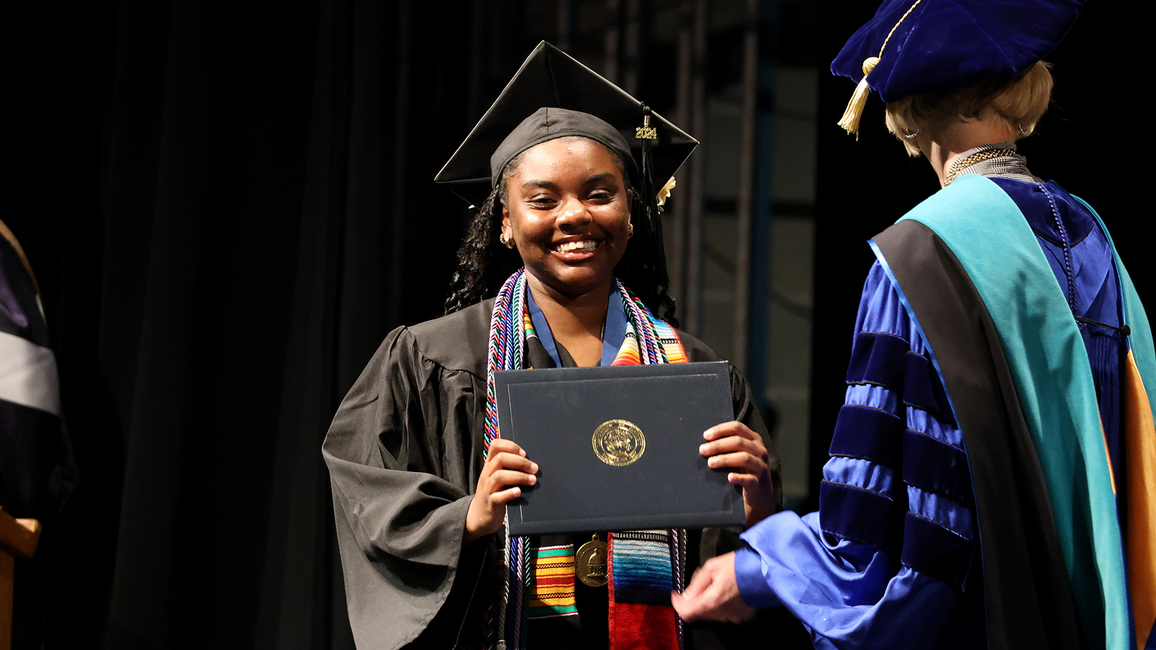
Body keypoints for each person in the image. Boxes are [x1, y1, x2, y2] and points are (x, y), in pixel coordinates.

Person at [672, 1, 1155, 649]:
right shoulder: (1093, 235)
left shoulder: (923, 254)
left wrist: (761, 567)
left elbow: (887, 541)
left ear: (907, 104)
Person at [323, 42, 789, 650]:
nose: (574, 215)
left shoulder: (693, 368)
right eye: (542, 200)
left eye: (600, 194)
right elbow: (367, 489)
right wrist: (468, 516)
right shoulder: (431, 358)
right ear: (505, 221)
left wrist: (757, 505)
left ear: (632, 212)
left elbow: (731, 565)